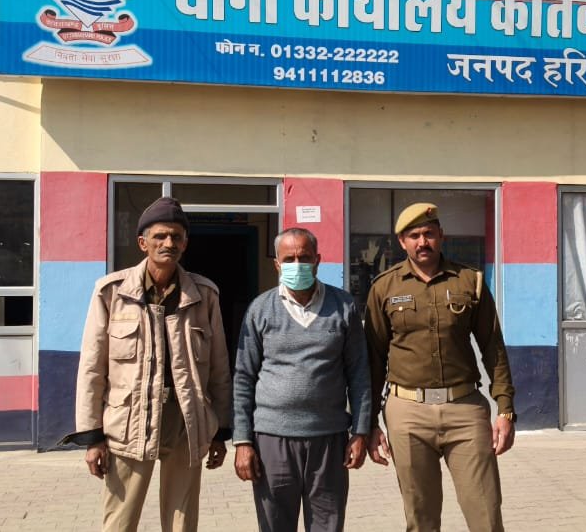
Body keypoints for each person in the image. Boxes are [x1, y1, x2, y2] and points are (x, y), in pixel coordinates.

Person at [61, 197, 232, 532]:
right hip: (128, 424)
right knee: (120, 521)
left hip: (186, 423)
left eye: (176, 237)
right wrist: (92, 437)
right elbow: (92, 369)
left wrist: (220, 431)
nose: (168, 243)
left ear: (185, 243)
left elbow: (219, 369)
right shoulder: (112, 292)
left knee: (182, 523)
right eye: (160, 236)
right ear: (143, 243)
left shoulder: (204, 295)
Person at [364, 202, 516, 532]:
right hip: (407, 413)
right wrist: (370, 423)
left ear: (441, 236)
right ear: (402, 241)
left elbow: (493, 348)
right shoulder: (384, 287)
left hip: (465, 410)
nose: (423, 242)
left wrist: (505, 410)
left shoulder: (469, 281)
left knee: (486, 514)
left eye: (429, 233)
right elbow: (373, 359)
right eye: (414, 236)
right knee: (421, 518)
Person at [232, 227, 371, 532]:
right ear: (277, 264)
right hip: (272, 440)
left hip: (329, 440)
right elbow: (243, 377)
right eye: (289, 259)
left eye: (304, 258)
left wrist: (360, 432)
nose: (297, 265)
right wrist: (242, 441)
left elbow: (359, 373)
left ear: (317, 260)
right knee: (275, 525)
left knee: (327, 525)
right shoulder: (260, 309)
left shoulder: (343, 306)